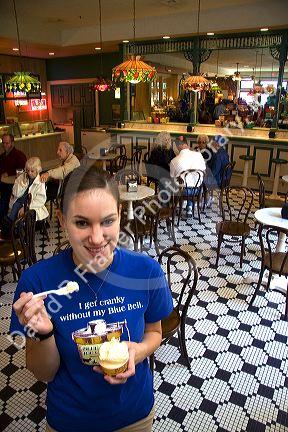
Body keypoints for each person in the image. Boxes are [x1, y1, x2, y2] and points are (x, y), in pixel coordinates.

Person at [10, 166, 173, 432]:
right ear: (62, 220)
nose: (97, 238)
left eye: (108, 221)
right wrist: (44, 334)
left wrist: (139, 350)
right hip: (70, 420)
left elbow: (155, 331)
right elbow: (44, 373)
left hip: (135, 415)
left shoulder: (146, 271)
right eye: (82, 222)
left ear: (120, 215)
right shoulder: (38, 283)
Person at [170, 136, 206, 215]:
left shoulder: (174, 161)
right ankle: (189, 206)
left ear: (178, 146)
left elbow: (172, 178)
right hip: (198, 190)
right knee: (191, 180)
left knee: (175, 183)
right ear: (187, 143)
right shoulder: (199, 155)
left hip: (183, 191)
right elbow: (203, 171)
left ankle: (173, 206)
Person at [8, 157, 49, 222]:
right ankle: (10, 228)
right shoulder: (22, 177)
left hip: (32, 204)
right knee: (15, 209)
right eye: (27, 170)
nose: (29, 173)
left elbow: (41, 200)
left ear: (37, 170)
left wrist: (26, 207)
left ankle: (18, 229)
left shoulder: (40, 181)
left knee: (23, 216)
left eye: (32, 171)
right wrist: (22, 184)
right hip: (19, 201)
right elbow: (16, 193)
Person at [0, 133, 26, 218]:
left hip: (15, 185)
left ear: (12, 143)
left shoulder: (19, 155)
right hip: (4, 183)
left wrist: (9, 173)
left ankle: (4, 220)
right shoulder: (2, 156)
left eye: (7, 143)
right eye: (3, 143)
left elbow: (22, 169)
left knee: (4, 198)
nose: (5, 145)